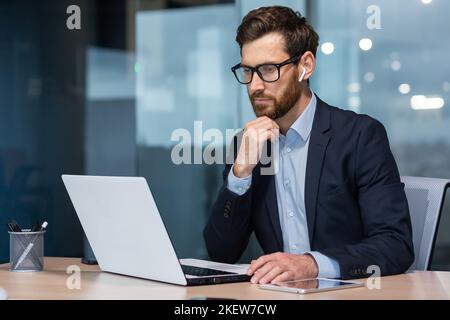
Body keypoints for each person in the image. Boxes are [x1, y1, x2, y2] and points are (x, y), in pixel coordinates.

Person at [204, 6, 414, 283]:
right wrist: (239, 175)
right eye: (247, 71)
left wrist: (312, 265)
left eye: (268, 69)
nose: (254, 86)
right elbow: (221, 252)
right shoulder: (247, 145)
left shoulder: (360, 135)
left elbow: (395, 245)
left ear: (305, 66)